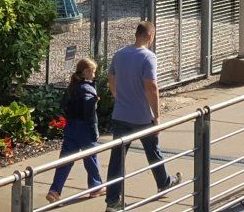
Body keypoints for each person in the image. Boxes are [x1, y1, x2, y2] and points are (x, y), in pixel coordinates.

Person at [105, 21, 178, 210]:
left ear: (136, 34)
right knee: (153, 150)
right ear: (150, 36)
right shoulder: (148, 57)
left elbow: (111, 77)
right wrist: (157, 116)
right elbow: (151, 86)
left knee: (117, 159)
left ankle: (113, 201)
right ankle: (163, 182)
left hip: (121, 114)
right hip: (142, 116)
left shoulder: (120, 54)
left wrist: (117, 95)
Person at [45, 58, 102, 202]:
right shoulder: (88, 88)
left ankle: (55, 190)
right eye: (93, 72)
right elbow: (89, 113)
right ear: (87, 72)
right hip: (84, 128)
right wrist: (94, 132)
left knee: (66, 159)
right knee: (91, 157)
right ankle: (95, 186)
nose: (94, 75)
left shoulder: (73, 87)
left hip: (71, 127)